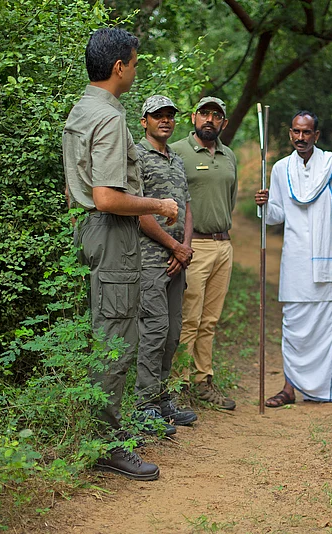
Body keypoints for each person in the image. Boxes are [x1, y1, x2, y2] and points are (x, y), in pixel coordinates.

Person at [63, 28, 178, 481]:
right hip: (112, 233)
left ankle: (104, 433)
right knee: (116, 339)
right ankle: (107, 444)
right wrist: (158, 205)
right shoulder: (109, 118)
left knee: (107, 331)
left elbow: (77, 190)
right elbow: (107, 197)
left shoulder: (82, 108)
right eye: (133, 63)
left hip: (93, 232)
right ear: (118, 67)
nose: (134, 70)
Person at [254, 111, 332, 407]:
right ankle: (289, 388)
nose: (301, 137)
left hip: (327, 259)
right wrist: (264, 205)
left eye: (306, 132)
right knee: (294, 327)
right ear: (290, 133)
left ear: (316, 135)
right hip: (295, 260)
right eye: (296, 132)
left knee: (330, 325)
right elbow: (277, 215)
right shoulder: (281, 168)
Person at [134, 95, 198, 433]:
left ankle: (161, 401)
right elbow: (140, 212)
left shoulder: (176, 159)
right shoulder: (136, 157)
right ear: (144, 121)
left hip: (177, 261)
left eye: (170, 115)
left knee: (173, 333)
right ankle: (144, 406)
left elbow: (186, 207)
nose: (165, 120)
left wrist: (184, 248)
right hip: (150, 259)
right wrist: (174, 247)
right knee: (155, 330)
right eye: (158, 115)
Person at [170, 97, 238, 410]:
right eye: (204, 113)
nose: (210, 119)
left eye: (216, 115)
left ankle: (203, 381)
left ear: (223, 122)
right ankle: (178, 386)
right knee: (189, 319)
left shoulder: (228, 156)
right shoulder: (178, 152)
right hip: (193, 246)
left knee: (210, 320)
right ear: (194, 117)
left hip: (223, 245)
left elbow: (230, 199)